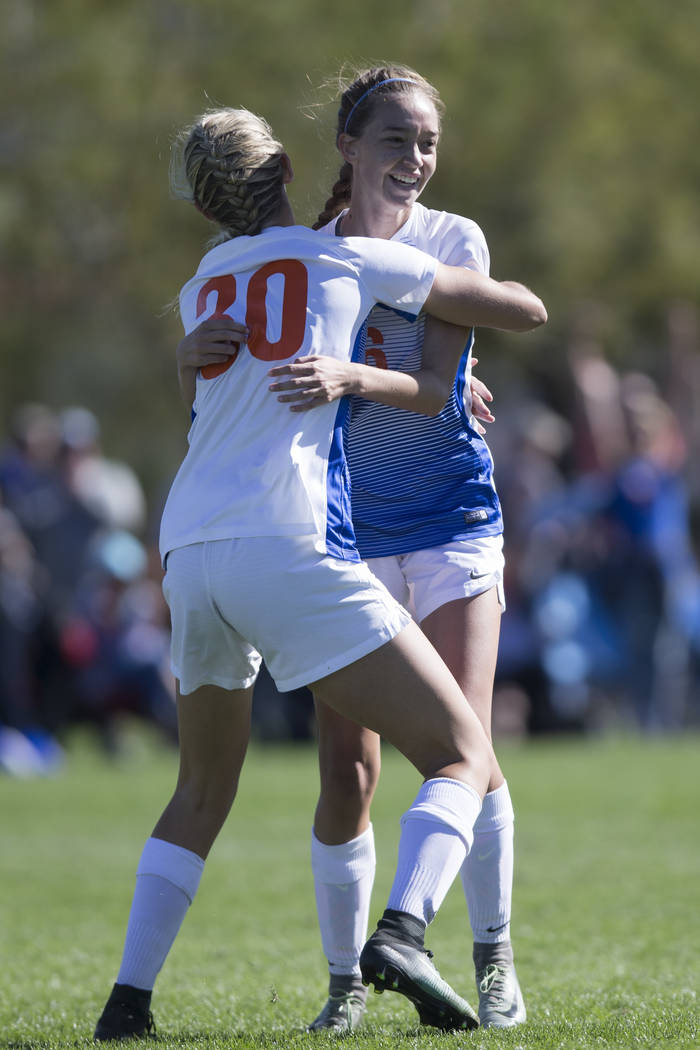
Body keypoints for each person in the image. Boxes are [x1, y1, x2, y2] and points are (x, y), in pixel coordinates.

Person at [93, 105, 545, 1041]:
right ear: (302, 163)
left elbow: (215, 389)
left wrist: (191, 363)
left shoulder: (200, 286)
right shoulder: (337, 255)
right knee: (464, 753)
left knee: (200, 791)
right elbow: (517, 309)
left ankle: (126, 1004)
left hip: (188, 552)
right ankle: (402, 937)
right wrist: (448, 347)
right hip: (289, 546)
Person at [258, 66, 531, 1032]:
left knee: (469, 745)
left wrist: (355, 373)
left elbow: (435, 384)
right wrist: (196, 350)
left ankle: (492, 957)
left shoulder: (453, 241)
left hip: (454, 518)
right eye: (394, 139)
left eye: (426, 142)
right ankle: (345, 984)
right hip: (347, 535)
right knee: (348, 769)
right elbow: (266, 368)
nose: (413, 158)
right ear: (347, 142)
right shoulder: (306, 256)